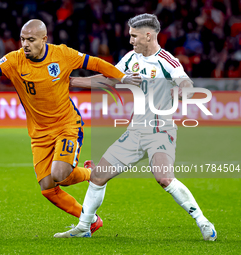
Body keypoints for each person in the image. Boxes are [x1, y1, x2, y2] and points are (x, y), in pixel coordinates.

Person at [0, 19, 140, 235]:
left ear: (44, 39)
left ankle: (91, 173)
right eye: (23, 39)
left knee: (59, 173)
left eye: (31, 40)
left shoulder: (62, 54)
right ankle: (90, 222)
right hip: (39, 134)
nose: (25, 44)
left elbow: (96, 64)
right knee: (47, 187)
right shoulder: (15, 59)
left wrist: (122, 77)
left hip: (66, 125)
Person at [54, 13, 217, 241]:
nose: (130, 40)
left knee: (164, 178)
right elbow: (110, 79)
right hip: (134, 131)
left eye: (134, 36)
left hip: (160, 130)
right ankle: (83, 227)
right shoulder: (131, 58)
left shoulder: (167, 61)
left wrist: (183, 91)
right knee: (98, 176)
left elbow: (186, 83)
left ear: (148, 35)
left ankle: (203, 222)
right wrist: (70, 82)